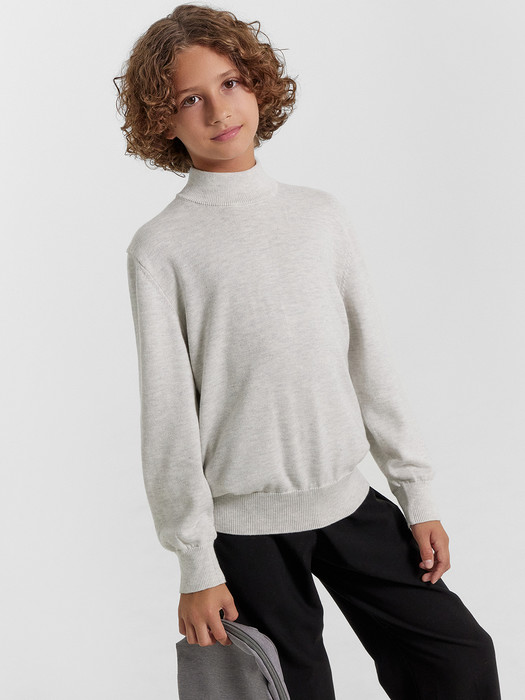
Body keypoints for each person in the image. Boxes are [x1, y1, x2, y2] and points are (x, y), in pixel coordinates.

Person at [114, 4, 502, 698]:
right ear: (162, 120)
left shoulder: (319, 216)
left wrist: (416, 495)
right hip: (242, 533)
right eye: (190, 99)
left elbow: (370, 364)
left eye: (230, 83)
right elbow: (168, 415)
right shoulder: (161, 249)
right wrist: (196, 563)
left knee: (458, 660)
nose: (218, 110)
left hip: (350, 503)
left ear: (257, 85)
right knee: (293, 690)